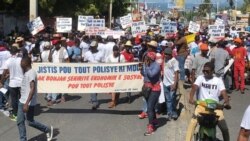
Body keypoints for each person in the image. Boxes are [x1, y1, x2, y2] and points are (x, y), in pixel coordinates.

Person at [186, 62, 230, 141]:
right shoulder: (200, 78)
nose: (205, 72)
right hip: (201, 105)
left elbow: (224, 92)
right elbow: (194, 87)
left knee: (224, 128)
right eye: (204, 71)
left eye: (207, 71)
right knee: (192, 124)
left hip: (215, 107)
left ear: (213, 71)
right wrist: (191, 98)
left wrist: (227, 102)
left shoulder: (218, 81)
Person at [17, 57, 53, 141]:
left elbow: (32, 88)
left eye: (22, 61)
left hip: (28, 102)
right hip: (21, 101)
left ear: (27, 63)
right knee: (20, 122)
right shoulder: (26, 72)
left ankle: (46, 129)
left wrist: (26, 103)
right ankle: (23, 139)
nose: (20, 63)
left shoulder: (31, 73)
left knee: (30, 121)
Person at [140, 52, 161, 136]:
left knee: (149, 108)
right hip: (147, 88)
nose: (145, 59)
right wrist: (142, 69)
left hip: (155, 89)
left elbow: (151, 75)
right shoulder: (146, 64)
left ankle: (150, 127)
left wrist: (147, 66)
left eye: (147, 57)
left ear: (150, 58)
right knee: (150, 105)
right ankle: (154, 121)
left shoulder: (156, 65)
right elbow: (144, 75)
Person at [1, 45, 23, 121]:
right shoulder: (21, 60)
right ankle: (22, 113)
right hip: (21, 82)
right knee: (21, 98)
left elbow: (4, 73)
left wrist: (1, 82)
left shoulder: (8, 61)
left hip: (12, 83)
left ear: (10, 52)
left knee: (14, 99)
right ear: (17, 52)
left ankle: (15, 115)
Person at [83, 40, 104, 110]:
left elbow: (104, 63)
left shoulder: (101, 53)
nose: (92, 48)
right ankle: (95, 102)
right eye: (91, 47)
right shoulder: (87, 53)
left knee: (96, 87)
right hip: (90, 73)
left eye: (93, 47)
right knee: (92, 87)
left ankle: (93, 98)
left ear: (96, 46)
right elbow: (84, 61)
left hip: (98, 74)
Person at [162, 47, 179, 120]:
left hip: (172, 83)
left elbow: (176, 73)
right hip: (165, 83)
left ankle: (174, 112)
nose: (165, 55)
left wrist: (175, 84)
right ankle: (169, 113)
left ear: (170, 54)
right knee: (168, 100)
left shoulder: (174, 61)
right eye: (165, 54)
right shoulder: (164, 60)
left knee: (172, 99)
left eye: (167, 54)